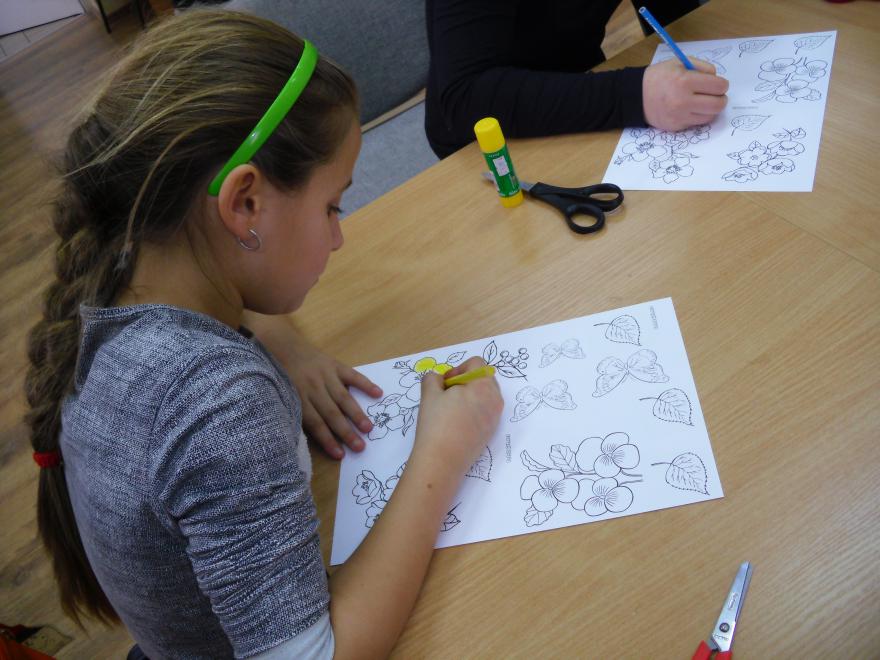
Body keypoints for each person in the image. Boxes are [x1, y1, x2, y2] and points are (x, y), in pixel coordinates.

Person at [24, 10, 503, 659]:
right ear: (244, 203)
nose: (338, 236)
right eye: (331, 206)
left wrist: (284, 343)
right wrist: (442, 451)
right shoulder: (215, 400)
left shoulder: (116, 278)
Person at [425, 0, 730, 158]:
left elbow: (674, 18)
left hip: (589, 96)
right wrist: (636, 95)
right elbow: (466, 97)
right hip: (488, 140)